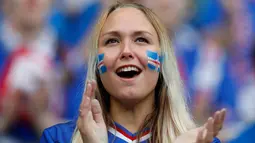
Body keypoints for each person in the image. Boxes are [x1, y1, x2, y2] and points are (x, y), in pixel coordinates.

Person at [40, 3, 226, 143]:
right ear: (96, 62)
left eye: (141, 40)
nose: (126, 51)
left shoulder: (200, 140)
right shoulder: (57, 139)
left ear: (163, 60)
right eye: (112, 41)